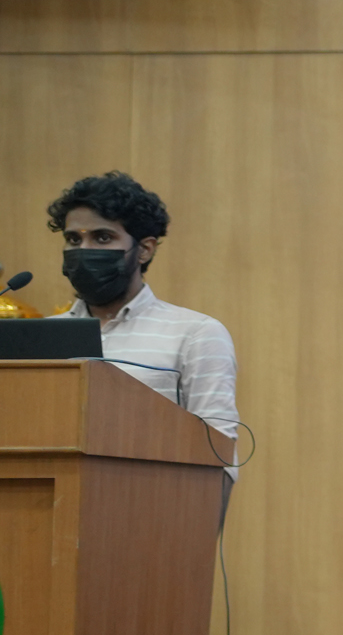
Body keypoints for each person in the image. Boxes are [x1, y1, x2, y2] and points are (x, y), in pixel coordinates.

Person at [47, 172, 240, 482]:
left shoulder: (195, 334)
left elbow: (218, 451)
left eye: (103, 237)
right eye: (74, 239)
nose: (84, 250)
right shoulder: (42, 336)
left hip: (152, 501)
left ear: (145, 249)